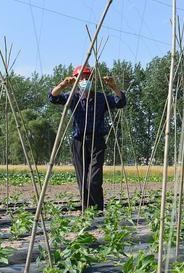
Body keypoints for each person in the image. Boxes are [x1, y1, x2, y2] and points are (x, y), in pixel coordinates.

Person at [48, 65, 126, 211]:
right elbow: (53, 97)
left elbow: (120, 102)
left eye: (87, 77)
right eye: (81, 77)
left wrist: (114, 86)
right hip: (79, 142)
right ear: (76, 80)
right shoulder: (73, 97)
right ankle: (87, 211)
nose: (84, 79)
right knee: (83, 180)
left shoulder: (101, 98)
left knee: (94, 180)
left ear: (92, 79)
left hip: (97, 142)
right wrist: (64, 84)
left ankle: (97, 210)